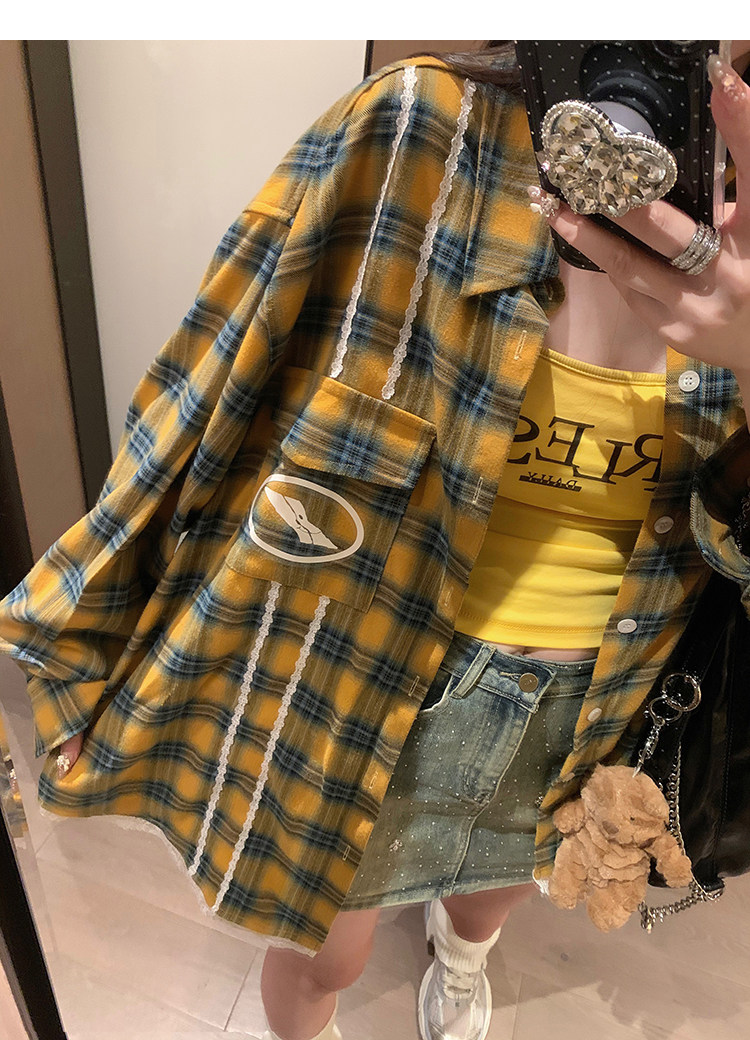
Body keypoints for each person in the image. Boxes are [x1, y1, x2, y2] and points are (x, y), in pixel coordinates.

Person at [2, 40, 750, 1040]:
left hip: (602, 698)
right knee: (324, 952)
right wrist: (91, 631)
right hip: (375, 676)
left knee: (498, 889)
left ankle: (463, 955)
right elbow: (208, 386)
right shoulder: (419, 132)